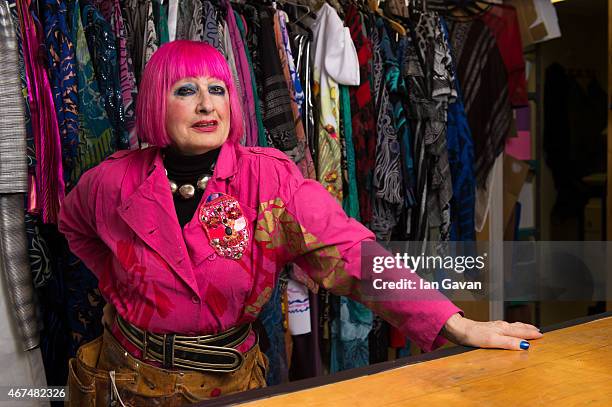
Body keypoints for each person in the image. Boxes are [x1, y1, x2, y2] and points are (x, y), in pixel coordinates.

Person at [58, 40, 542, 405]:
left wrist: (453, 324)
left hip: (228, 387)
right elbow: (72, 224)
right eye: (186, 90)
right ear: (155, 103)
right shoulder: (112, 181)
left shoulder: (268, 180)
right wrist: (123, 279)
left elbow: (353, 253)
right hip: (120, 382)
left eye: (218, 89)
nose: (207, 104)